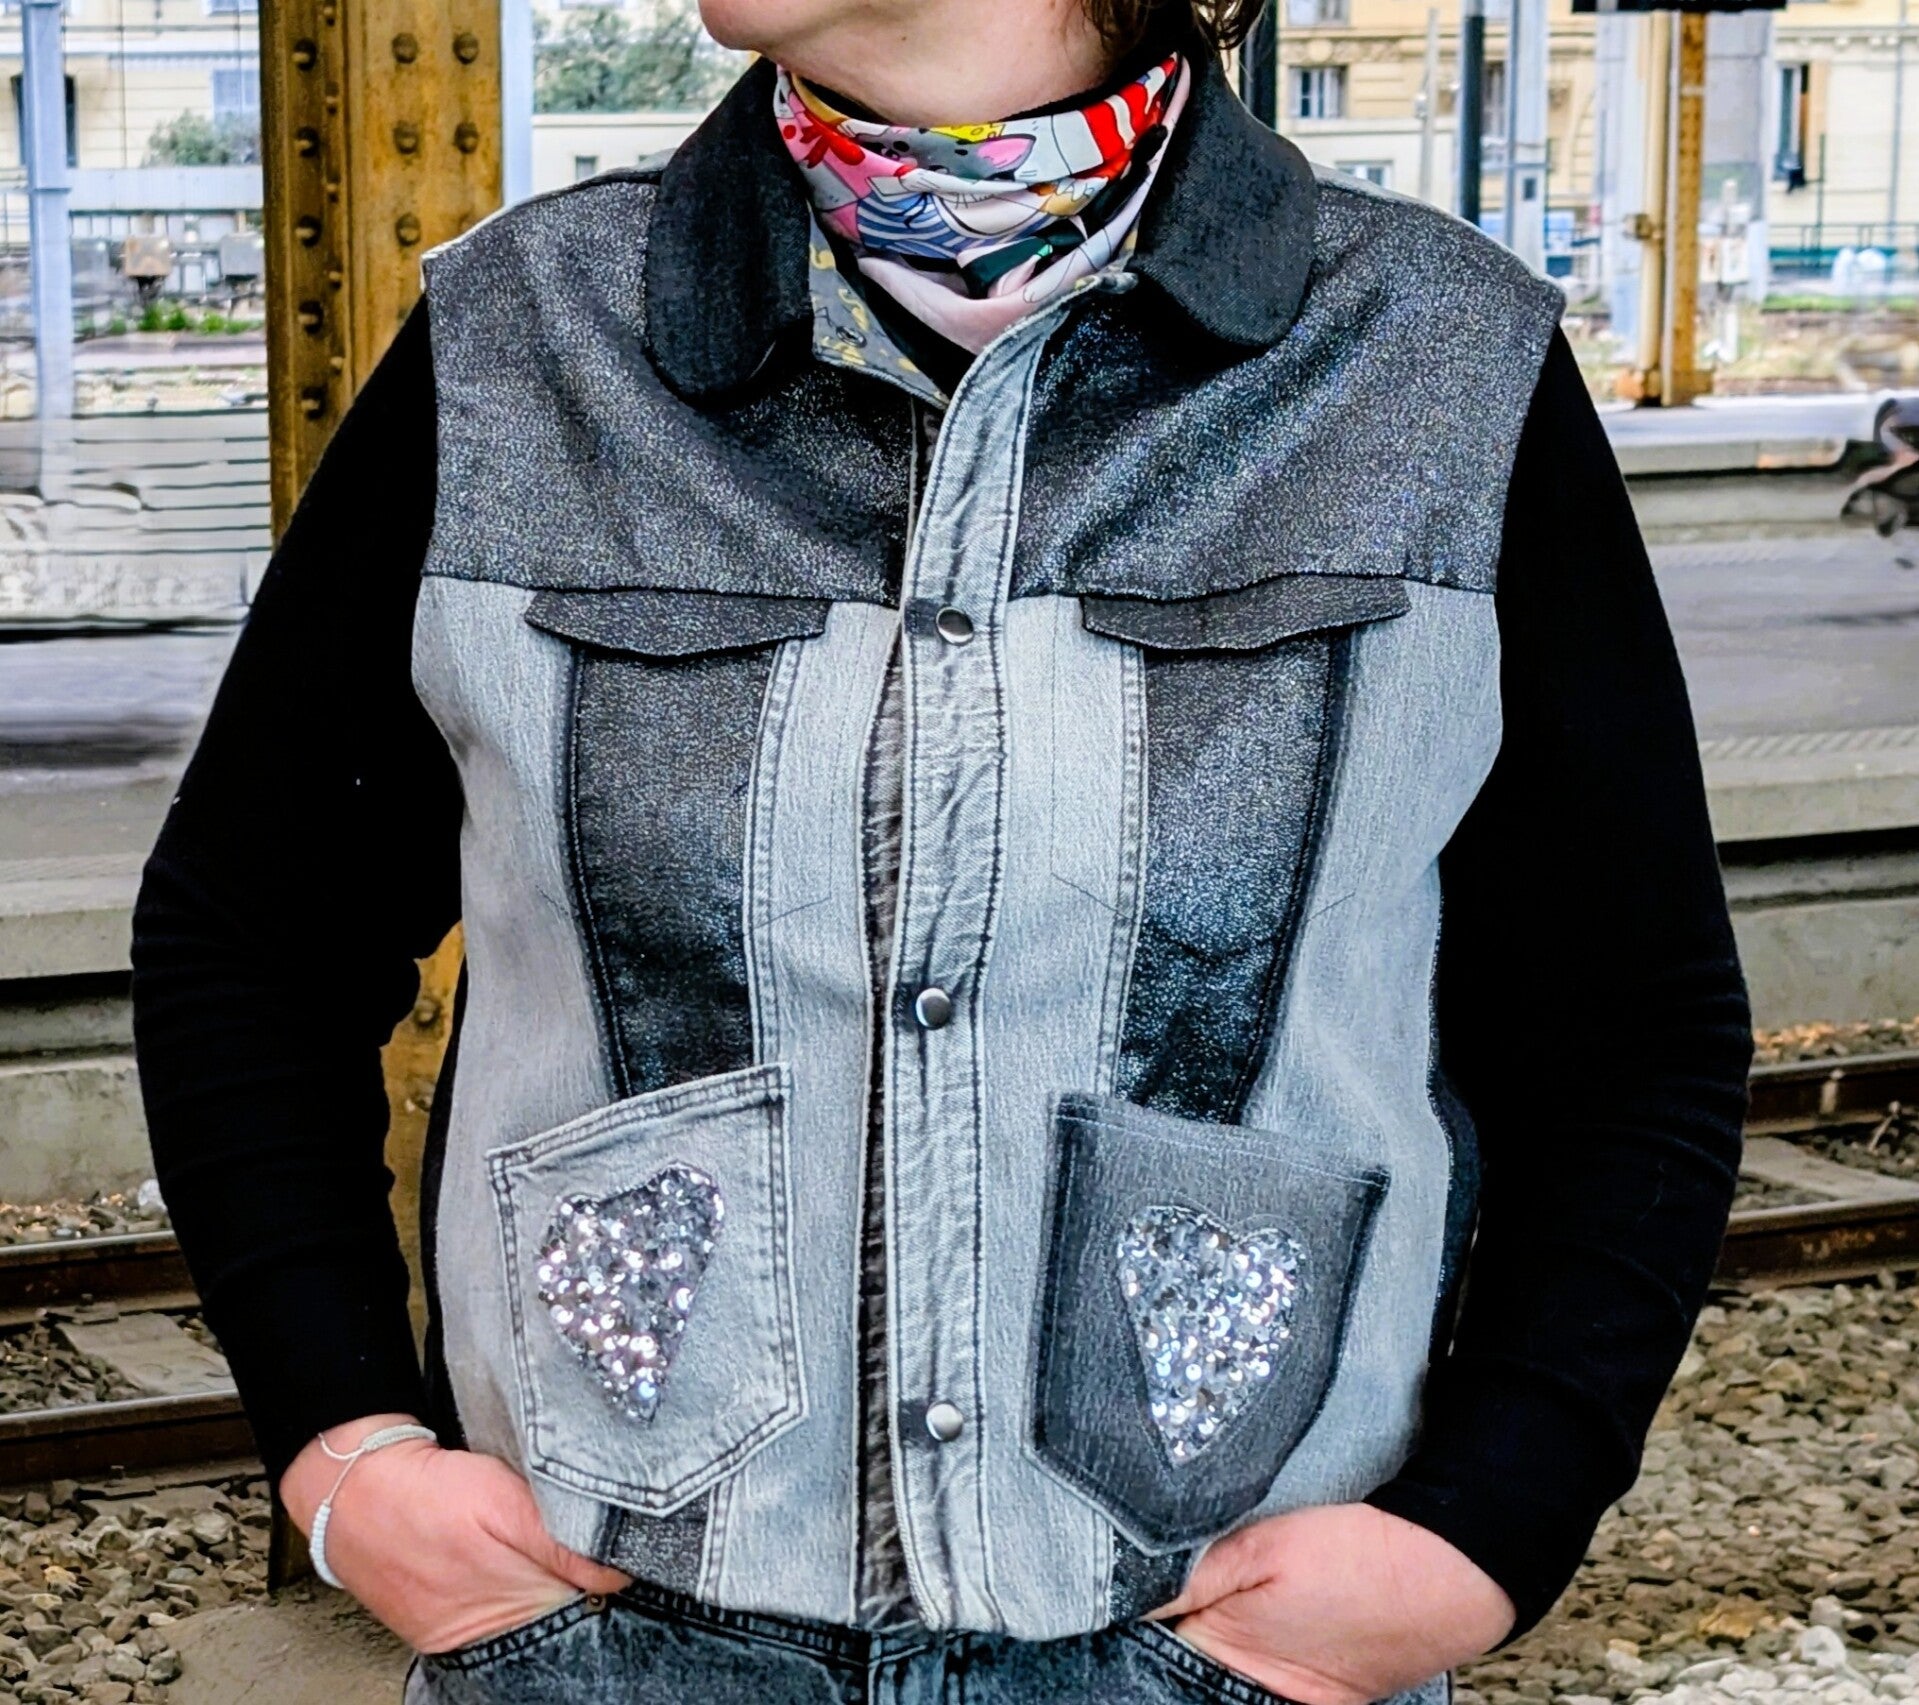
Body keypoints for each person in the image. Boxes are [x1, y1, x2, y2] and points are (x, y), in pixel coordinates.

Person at [129, 0, 1754, 1695]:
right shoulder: (526, 340)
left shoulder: (1431, 361)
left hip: (1212, 1660)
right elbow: (252, 937)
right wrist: (344, 1447)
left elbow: (1628, 1024)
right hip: (611, 1645)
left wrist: (1491, 1523)